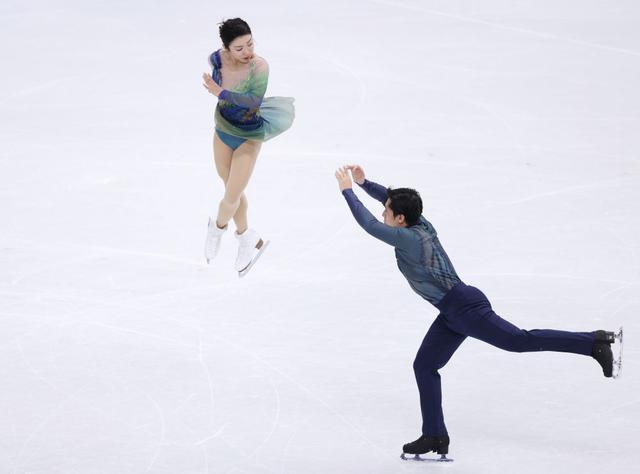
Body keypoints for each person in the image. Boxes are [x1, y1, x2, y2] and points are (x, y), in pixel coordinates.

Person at [334, 164, 621, 458]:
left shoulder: (408, 238)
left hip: (463, 307)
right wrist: (364, 183)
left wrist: (348, 191)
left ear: (400, 219)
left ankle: (593, 342)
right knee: (424, 366)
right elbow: (389, 199)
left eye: (387, 210)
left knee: (519, 341)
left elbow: (370, 225)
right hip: (452, 312)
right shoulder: (419, 223)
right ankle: (434, 435)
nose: (383, 212)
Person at [202, 18, 294, 276]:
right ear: (227, 48)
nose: (247, 52)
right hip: (223, 130)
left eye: (250, 44)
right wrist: (218, 90)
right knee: (232, 189)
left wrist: (220, 93)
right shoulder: (217, 59)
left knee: (231, 196)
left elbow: (253, 101)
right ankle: (246, 236)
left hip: (249, 135)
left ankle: (216, 228)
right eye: (239, 48)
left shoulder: (259, 67)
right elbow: (215, 69)